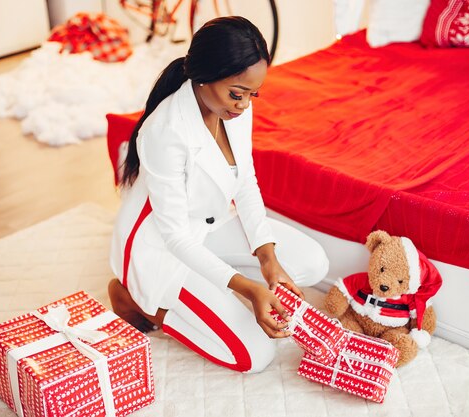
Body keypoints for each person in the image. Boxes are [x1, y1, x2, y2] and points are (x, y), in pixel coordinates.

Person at [108, 16, 329, 373]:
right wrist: (246, 288)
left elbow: (245, 181)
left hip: (210, 222)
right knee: (254, 357)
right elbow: (176, 236)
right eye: (237, 93)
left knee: (312, 263)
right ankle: (136, 297)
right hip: (165, 247)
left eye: (252, 94)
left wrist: (267, 257)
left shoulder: (235, 107)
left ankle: (218, 291)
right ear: (204, 76)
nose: (243, 105)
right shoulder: (166, 131)